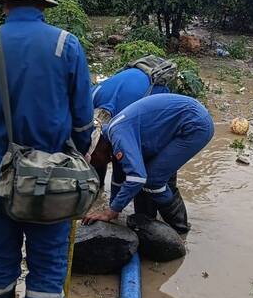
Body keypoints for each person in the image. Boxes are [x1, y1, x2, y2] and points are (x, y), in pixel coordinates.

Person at [0, 0, 94, 298]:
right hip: (51, 173)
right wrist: (75, 155)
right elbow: (82, 123)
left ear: (4, 5)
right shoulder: (66, 45)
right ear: (42, 4)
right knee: (47, 266)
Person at [83, 93, 214, 234]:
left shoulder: (118, 136)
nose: (99, 165)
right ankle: (148, 220)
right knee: (150, 171)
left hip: (194, 125)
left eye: (95, 162)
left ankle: (179, 228)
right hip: (179, 120)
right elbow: (119, 177)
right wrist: (112, 208)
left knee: (153, 179)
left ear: (97, 150)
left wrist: (111, 211)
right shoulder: (112, 135)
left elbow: (137, 178)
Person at [91, 60, 173, 191]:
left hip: (155, 96)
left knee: (150, 171)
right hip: (133, 79)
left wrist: (113, 207)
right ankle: (98, 188)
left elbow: (120, 164)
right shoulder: (90, 99)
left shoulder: (122, 123)